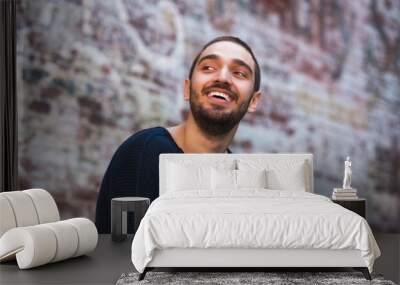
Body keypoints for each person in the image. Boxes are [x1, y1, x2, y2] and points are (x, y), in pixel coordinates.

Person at [95, 36, 263, 233]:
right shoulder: (146, 151)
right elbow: (132, 257)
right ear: (187, 89)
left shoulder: (238, 181)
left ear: (254, 101)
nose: (223, 78)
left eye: (239, 73)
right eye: (208, 68)